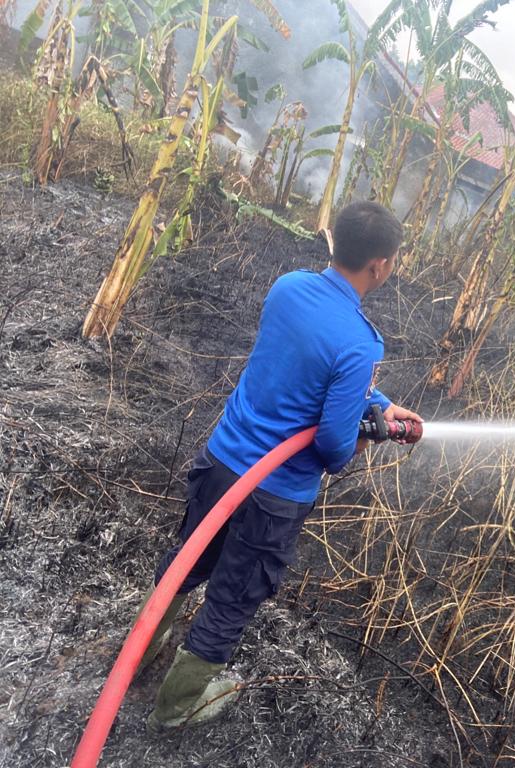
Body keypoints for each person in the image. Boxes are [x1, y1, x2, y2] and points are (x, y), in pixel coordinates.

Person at [140, 201, 422, 733]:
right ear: (381, 265)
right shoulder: (360, 342)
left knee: (186, 565)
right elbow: (335, 445)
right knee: (230, 600)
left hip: (222, 463)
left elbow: (305, 362)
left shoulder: (288, 286)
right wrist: (361, 440)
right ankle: (175, 708)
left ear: (334, 241)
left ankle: (134, 660)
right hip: (273, 497)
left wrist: (378, 404)